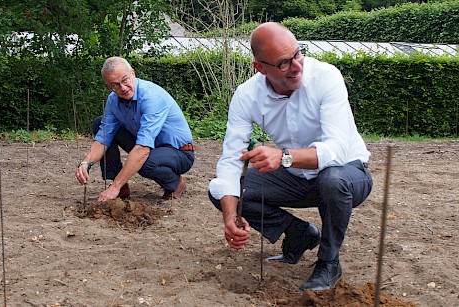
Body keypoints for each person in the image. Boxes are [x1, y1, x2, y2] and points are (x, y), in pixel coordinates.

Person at [208, 22, 373, 291]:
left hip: (349, 174)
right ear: (260, 68)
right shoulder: (247, 95)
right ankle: (298, 233)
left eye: (298, 54)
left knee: (332, 179)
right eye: (284, 63)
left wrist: (284, 156)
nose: (297, 66)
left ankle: (329, 262)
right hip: (298, 179)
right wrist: (229, 216)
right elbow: (230, 160)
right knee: (221, 191)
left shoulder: (326, 77)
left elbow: (338, 150)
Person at [76, 56, 195, 204]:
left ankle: (176, 184)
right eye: (115, 85)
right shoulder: (113, 101)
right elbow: (104, 138)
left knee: (145, 162)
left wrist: (114, 187)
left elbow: (143, 150)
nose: (123, 88)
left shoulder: (151, 97)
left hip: (180, 152)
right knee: (99, 123)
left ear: (133, 73)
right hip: (151, 147)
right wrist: (86, 163)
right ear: (108, 86)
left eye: (125, 80)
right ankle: (121, 189)